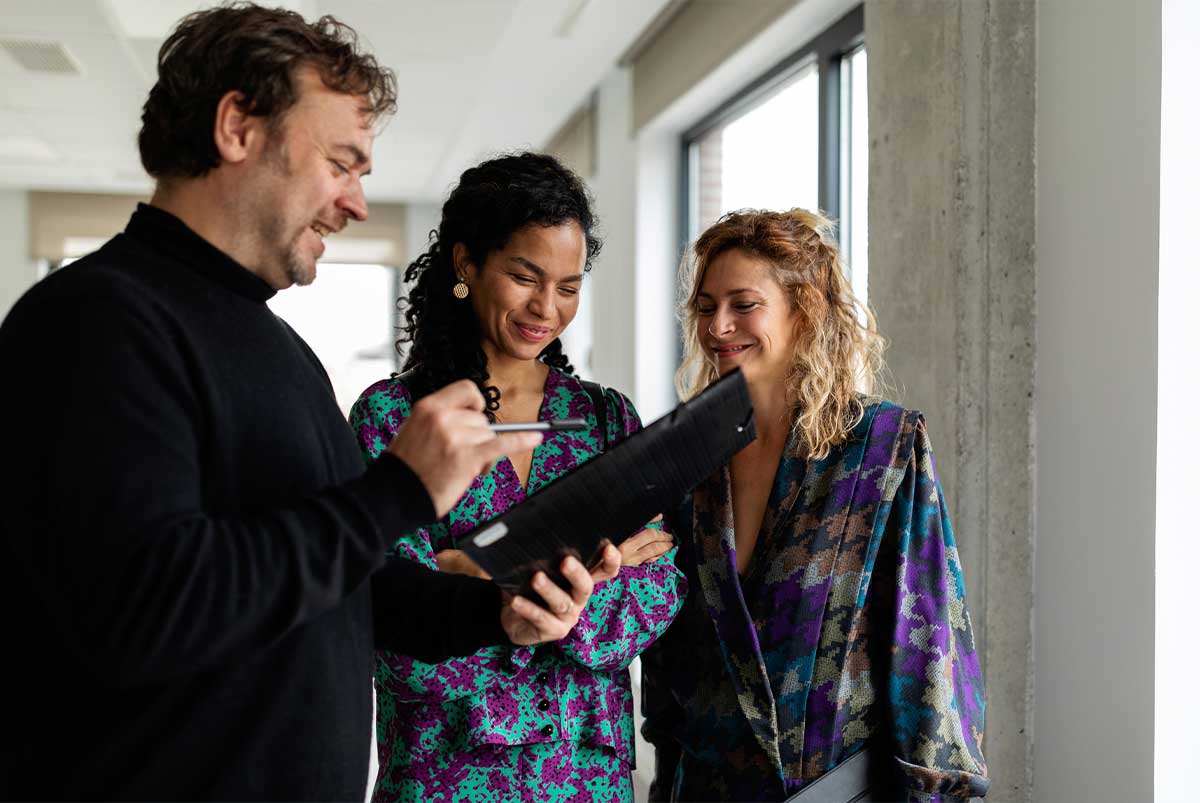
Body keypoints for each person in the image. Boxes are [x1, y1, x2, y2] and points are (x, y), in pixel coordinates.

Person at [0, 6, 616, 801]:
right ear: (236, 127)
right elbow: (149, 606)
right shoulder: (96, 320)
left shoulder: (281, 351)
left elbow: (343, 587)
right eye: (342, 162)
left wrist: (493, 613)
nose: (356, 202)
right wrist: (397, 493)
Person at [349, 151, 687, 803]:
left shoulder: (605, 417)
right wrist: (582, 575)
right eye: (525, 276)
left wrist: (488, 576)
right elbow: (390, 627)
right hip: (445, 777)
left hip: (586, 777)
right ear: (466, 263)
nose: (547, 307)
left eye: (568, 285)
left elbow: (659, 590)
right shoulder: (394, 417)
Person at [640, 209, 989, 802]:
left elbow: (926, 644)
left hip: (831, 787)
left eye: (743, 304)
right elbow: (671, 658)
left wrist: (939, 794)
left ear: (803, 310)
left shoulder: (883, 446)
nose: (718, 326)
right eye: (705, 306)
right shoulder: (687, 457)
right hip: (703, 786)